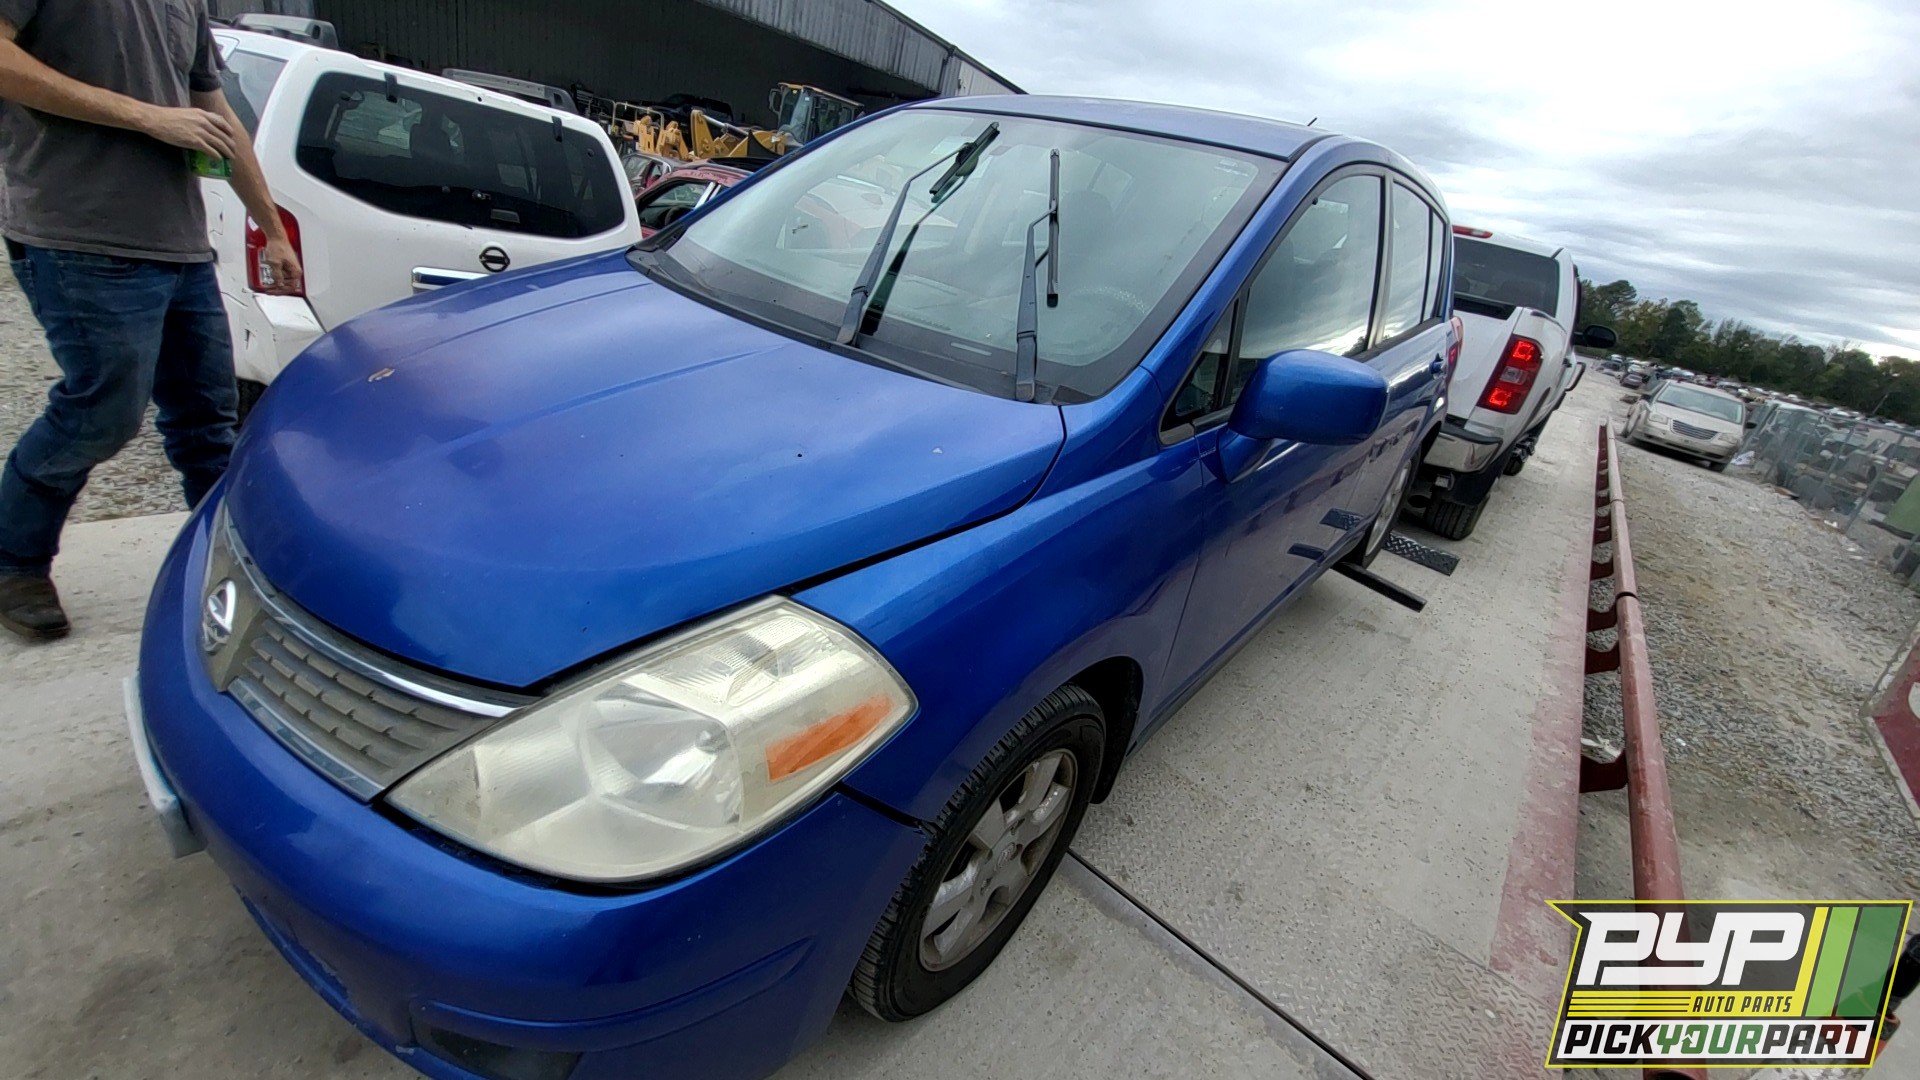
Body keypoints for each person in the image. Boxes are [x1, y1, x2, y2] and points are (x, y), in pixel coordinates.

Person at [0, 0, 300, 642]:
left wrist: (271, 228)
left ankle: (233, 567)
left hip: (181, 243)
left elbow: (216, 116)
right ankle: (14, 562)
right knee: (100, 412)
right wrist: (146, 116)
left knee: (209, 424)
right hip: (79, 234)